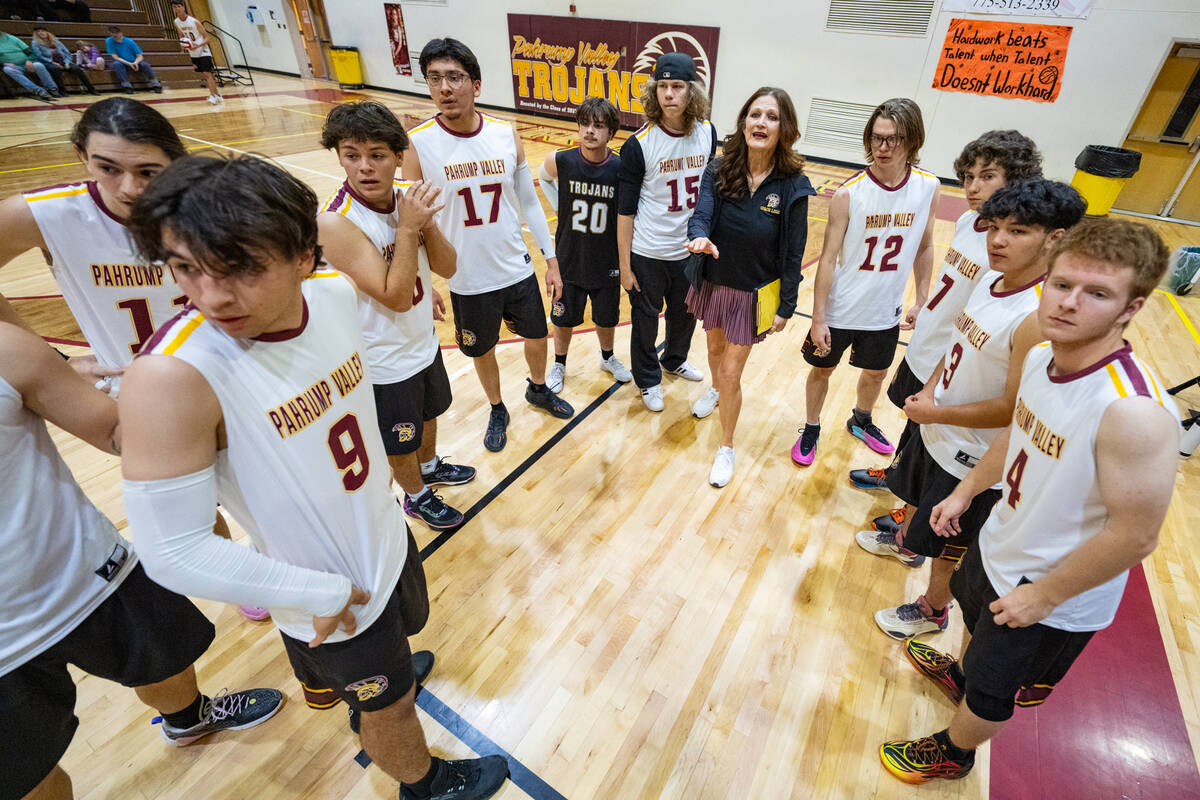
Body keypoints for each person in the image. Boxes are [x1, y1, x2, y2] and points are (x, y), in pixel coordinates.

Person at [120, 154, 510, 800]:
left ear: (304, 255)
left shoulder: (332, 295)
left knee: (399, 655)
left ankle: (368, 680)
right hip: (325, 594)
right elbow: (172, 551)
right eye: (185, 267)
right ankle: (427, 784)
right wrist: (315, 592)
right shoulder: (172, 376)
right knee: (388, 709)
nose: (211, 295)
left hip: (383, 540)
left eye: (240, 266)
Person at [879, 218, 1179, 784]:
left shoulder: (1132, 413)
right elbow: (1016, 433)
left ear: (1131, 308)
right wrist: (966, 491)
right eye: (1063, 284)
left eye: (1097, 293)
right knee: (972, 631)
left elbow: (1135, 535)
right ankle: (959, 678)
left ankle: (954, 751)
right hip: (1001, 547)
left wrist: (1044, 596)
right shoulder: (1044, 357)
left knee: (994, 690)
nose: (1067, 303)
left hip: (1051, 592)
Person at [0, 97, 270, 623]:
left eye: (147, 171)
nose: (128, 187)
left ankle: (272, 558)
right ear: (82, 157)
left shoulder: (204, 207)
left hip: (231, 374)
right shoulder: (48, 215)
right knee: (194, 501)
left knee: (261, 486)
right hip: (142, 397)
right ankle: (241, 572)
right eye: (108, 168)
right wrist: (43, 357)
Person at [0, 320, 283, 800]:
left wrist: (190, 404)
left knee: (167, 664)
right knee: (34, 783)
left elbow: (113, 428)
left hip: (87, 569)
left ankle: (188, 720)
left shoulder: (7, 349)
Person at [861, 180, 1084, 641]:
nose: (998, 240)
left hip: (973, 458)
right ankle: (908, 545)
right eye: (995, 227)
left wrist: (938, 415)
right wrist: (930, 389)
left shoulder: (1037, 318)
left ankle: (933, 609)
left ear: (1055, 238)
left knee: (947, 544)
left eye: (1017, 231)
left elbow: (1013, 411)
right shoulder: (990, 279)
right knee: (919, 510)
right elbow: (958, 341)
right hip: (938, 431)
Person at [848, 130, 1043, 541]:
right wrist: (924, 303)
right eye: (968, 176)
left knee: (934, 442)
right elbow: (953, 282)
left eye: (987, 176)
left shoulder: (1008, 248)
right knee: (913, 433)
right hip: (924, 349)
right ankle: (899, 476)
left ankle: (912, 515)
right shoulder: (971, 222)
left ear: (1017, 179)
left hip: (951, 365)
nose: (973, 187)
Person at [405, 37, 573, 452]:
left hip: (514, 265)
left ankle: (537, 387)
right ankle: (497, 406)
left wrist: (550, 259)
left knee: (537, 337)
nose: (445, 87)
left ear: (476, 85)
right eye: (435, 78)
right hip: (465, 276)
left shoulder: (502, 133)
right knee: (483, 349)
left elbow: (529, 201)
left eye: (455, 77)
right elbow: (411, 224)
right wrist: (419, 284)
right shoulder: (418, 143)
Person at [318, 100, 476, 532]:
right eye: (351, 155)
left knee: (429, 414)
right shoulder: (335, 221)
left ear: (399, 156)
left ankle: (429, 468)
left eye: (377, 155)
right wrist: (409, 229)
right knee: (398, 438)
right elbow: (394, 295)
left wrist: (423, 227)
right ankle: (416, 497)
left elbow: (447, 267)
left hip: (421, 340)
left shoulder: (407, 201)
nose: (364, 167)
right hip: (381, 359)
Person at [794, 98, 939, 465]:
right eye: (877, 138)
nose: (883, 147)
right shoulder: (849, 193)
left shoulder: (928, 187)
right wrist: (818, 317)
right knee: (822, 369)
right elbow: (826, 260)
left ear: (913, 141)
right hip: (843, 307)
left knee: (876, 372)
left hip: (885, 310)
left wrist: (922, 299)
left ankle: (861, 419)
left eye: (894, 139)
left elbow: (925, 246)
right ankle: (811, 426)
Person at [684, 86, 814, 487]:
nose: (761, 122)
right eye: (755, 114)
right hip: (714, 282)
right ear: (743, 122)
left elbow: (794, 251)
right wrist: (699, 237)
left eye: (771, 117)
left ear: (784, 128)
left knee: (731, 370)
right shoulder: (719, 169)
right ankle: (717, 392)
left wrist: (786, 306)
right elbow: (701, 214)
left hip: (753, 293)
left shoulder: (794, 185)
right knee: (713, 351)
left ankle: (726, 446)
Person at [617, 52, 717, 412]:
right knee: (645, 321)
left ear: (692, 92)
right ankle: (647, 379)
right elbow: (625, 212)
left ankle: (674, 359)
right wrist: (625, 266)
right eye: (663, 86)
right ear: (653, 91)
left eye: (677, 86)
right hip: (649, 251)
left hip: (689, 249)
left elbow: (710, 192)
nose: (669, 94)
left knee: (685, 314)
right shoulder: (639, 145)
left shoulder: (707, 132)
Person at [538, 96, 633, 394]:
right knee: (563, 317)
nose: (590, 131)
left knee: (606, 317)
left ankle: (607, 358)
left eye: (598, 126)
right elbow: (542, 177)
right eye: (585, 124)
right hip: (570, 257)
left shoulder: (620, 168)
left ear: (611, 133)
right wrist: (559, 206)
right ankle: (560, 364)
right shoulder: (561, 160)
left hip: (606, 259)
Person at [170, 1, 221, 106]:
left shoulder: (194, 21)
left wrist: (197, 45)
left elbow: (207, 38)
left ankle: (213, 96)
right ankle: (217, 95)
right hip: (192, 51)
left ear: (183, 7)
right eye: (175, 7)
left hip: (203, 50)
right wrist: (183, 45)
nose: (177, 9)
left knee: (207, 74)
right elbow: (181, 35)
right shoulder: (176, 22)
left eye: (179, 6)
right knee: (206, 74)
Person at [31, 24, 98, 95]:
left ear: (47, 32)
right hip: (49, 62)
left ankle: (91, 89)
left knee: (77, 68)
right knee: (55, 69)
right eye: (38, 31)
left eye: (43, 31)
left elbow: (67, 53)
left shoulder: (56, 41)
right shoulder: (35, 43)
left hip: (63, 61)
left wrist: (67, 62)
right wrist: (52, 62)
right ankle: (62, 90)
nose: (41, 33)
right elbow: (39, 56)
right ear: (36, 34)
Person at [0, 25, 58, 101]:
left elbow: (30, 52)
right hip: (12, 67)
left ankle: (52, 88)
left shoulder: (11, 38)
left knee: (39, 65)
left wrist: (29, 60)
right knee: (7, 69)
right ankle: (37, 90)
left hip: (26, 63)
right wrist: (3, 64)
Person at [105, 26, 161, 94]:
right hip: (122, 63)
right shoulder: (109, 41)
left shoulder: (130, 41)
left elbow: (140, 56)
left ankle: (156, 84)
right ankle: (126, 86)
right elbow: (115, 57)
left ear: (121, 33)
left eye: (117, 35)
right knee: (116, 64)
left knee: (145, 65)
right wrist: (129, 64)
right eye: (113, 35)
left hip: (134, 62)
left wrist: (136, 62)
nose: (115, 37)